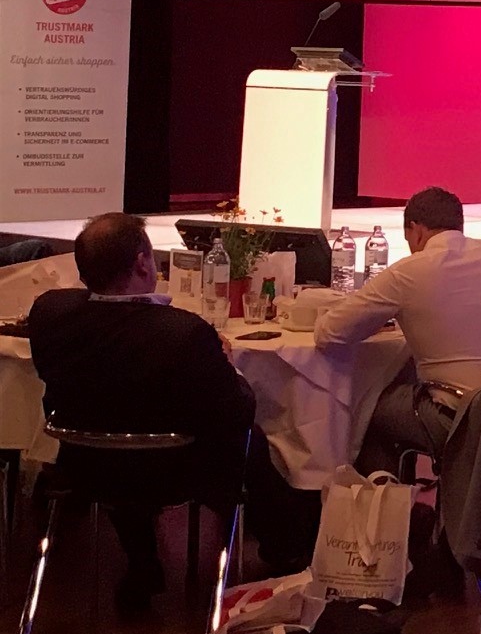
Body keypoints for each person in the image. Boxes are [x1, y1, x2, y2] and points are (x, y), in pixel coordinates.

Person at [27, 213, 313, 606]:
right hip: (174, 472)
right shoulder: (184, 333)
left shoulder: (49, 315)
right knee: (249, 439)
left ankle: (143, 562)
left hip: (84, 464)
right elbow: (238, 411)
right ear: (143, 264)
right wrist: (226, 365)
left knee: (117, 430)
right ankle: (288, 548)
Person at [317, 186, 481, 470]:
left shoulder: (407, 271)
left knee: (367, 408)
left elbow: (329, 333)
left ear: (416, 230)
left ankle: (381, 497)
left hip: (460, 415)